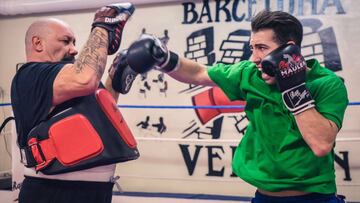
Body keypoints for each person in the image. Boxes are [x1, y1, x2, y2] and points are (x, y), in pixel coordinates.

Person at [125, 10, 348, 203]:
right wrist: (163, 58)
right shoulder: (249, 74)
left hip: (315, 197)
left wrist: (293, 85)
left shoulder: (327, 84)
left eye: (261, 48)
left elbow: (320, 145)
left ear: (289, 49)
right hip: (263, 196)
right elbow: (199, 72)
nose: (254, 58)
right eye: (252, 48)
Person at [11, 3, 139, 203]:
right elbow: (85, 79)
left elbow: (100, 114)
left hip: (95, 191)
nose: (74, 49)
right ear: (38, 43)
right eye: (65, 41)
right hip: (54, 191)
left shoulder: (67, 80)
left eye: (74, 41)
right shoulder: (31, 74)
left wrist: (117, 77)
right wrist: (102, 26)